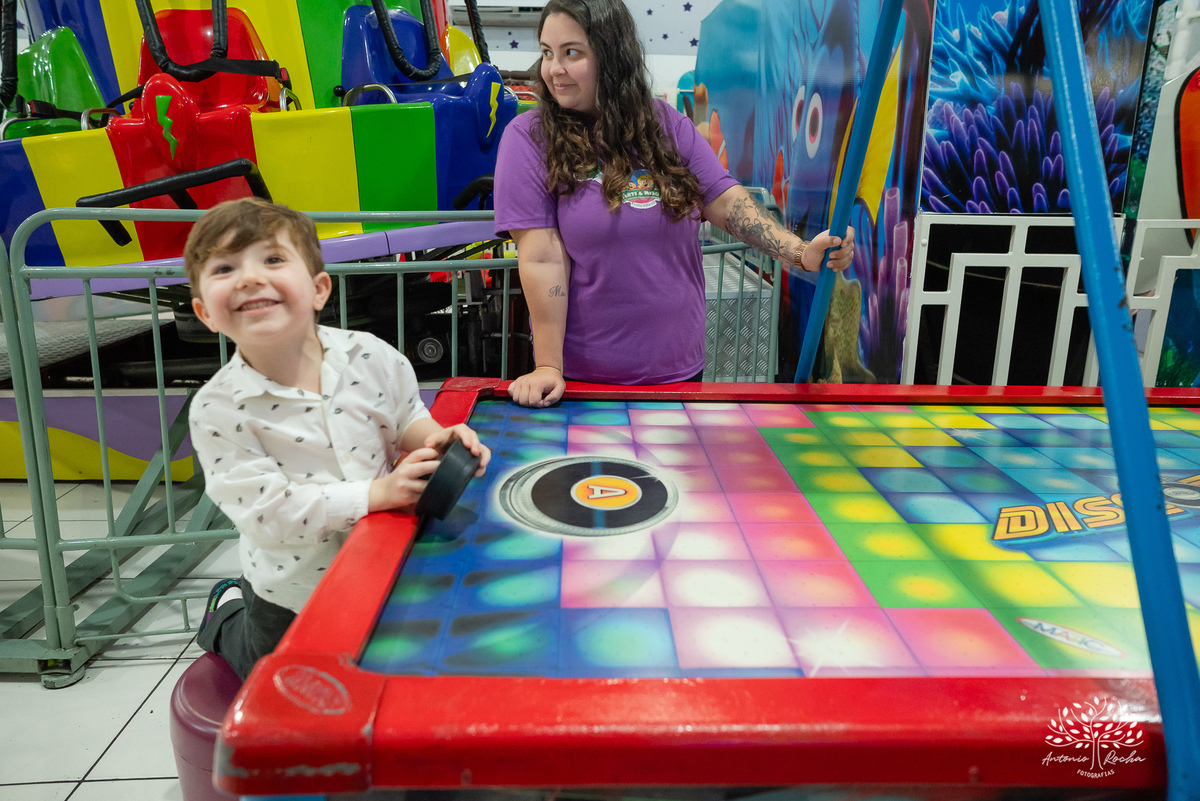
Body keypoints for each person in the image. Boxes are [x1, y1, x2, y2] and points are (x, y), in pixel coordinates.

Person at [494, 0, 855, 408]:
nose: (553, 68)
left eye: (571, 52)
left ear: (611, 55)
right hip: (584, 380)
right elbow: (542, 258)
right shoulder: (529, 138)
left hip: (681, 371)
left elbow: (725, 201)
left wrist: (800, 252)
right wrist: (548, 366)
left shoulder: (664, 125)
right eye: (546, 52)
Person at [185, 198, 491, 680]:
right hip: (291, 592)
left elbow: (405, 416)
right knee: (271, 676)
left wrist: (438, 440)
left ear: (319, 288)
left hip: (384, 567)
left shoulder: (370, 356)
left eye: (272, 259)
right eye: (225, 268)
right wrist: (379, 493)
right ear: (205, 313)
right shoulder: (217, 410)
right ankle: (223, 617)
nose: (248, 277)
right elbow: (269, 515)